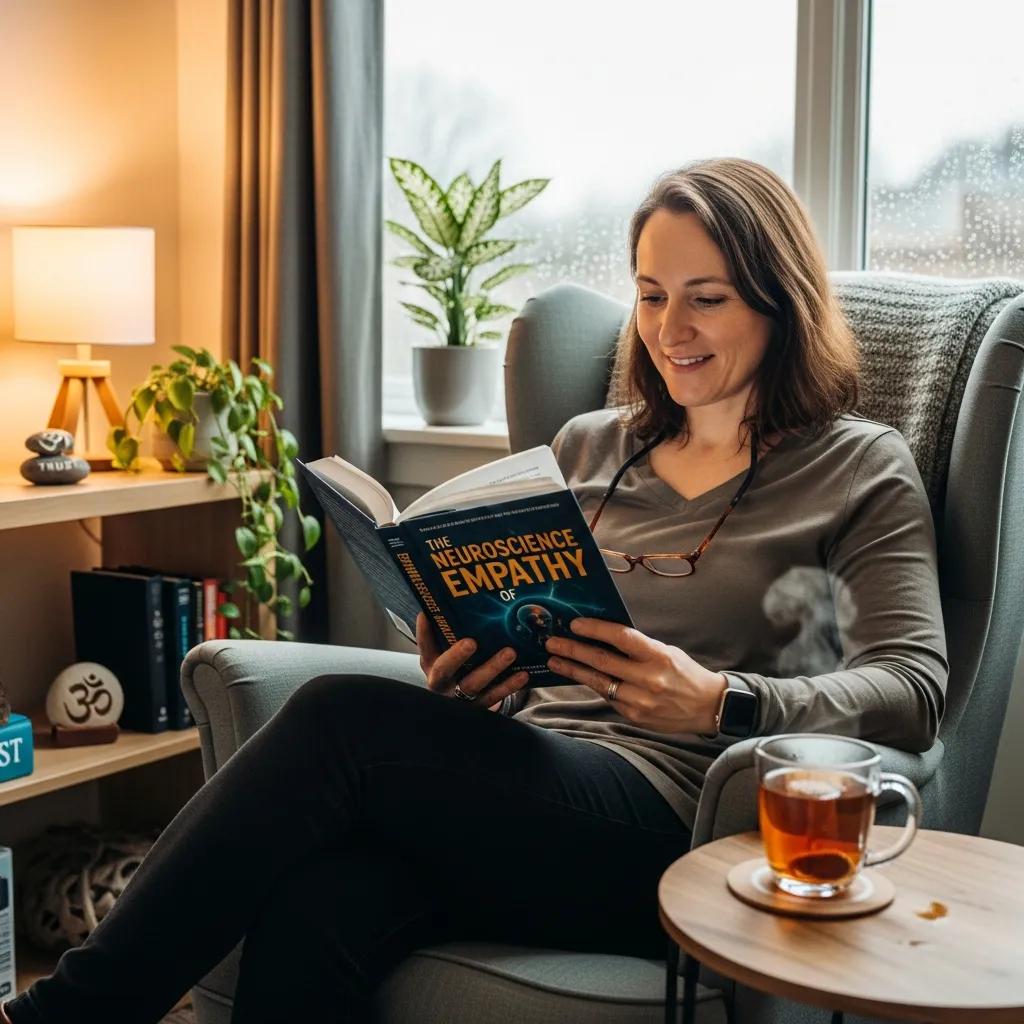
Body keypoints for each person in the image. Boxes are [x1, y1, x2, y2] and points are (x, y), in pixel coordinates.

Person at [2, 158, 947, 1024]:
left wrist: (722, 700)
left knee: (340, 719)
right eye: (652, 295)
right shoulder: (591, 446)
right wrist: (472, 664)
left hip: (680, 823)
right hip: (526, 789)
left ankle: (67, 1018)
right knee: (321, 901)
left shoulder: (857, 467)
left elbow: (913, 687)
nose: (670, 330)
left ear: (780, 303)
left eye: (708, 299)